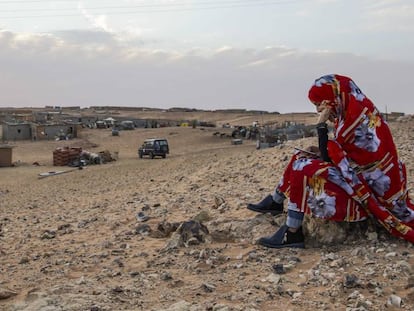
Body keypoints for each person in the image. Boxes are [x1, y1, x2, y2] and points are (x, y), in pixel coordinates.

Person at [247, 74, 414, 248]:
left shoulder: (354, 122)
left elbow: (338, 158)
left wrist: (321, 126)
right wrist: (321, 150)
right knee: (300, 156)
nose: (319, 109)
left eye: (320, 103)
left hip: (370, 188)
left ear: (332, 98)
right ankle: (276, 201)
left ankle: (292, 232)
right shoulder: (355, 112)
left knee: (301, 166)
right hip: (357, 174)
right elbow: (345, 155)